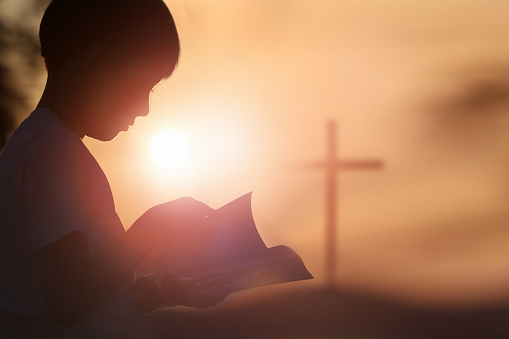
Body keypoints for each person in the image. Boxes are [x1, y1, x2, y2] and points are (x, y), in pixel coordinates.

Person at [0, 0, 216, 337]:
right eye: (143, 86)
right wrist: (147, 233)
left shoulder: (40, 144)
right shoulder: (52, 149)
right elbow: (68, 298)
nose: (145, 108)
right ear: (97, 66)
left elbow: (65, 290)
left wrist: (135, 297)